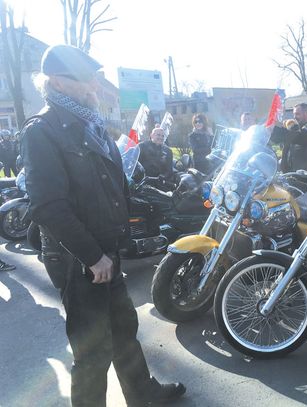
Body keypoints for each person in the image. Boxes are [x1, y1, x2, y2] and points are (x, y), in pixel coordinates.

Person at [20, 44, 186, 407]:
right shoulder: (42, 130)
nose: (95, 85)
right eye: (87, 79)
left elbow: (108, 181)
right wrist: (93, 257)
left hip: (104, 250)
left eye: (95, 78)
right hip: (78, 258)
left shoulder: (90, 124)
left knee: (125, 330)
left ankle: (142, 394)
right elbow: (47, 207)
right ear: (58, 83)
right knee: (92, 350)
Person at [271, 103, 307, 185]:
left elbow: (300, 138)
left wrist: (278, 126)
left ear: (306, 114)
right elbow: (278, 139)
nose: (294, 117)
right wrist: (270, 128)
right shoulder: (297, 129)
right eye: (294, 114)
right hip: (291, 176)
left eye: (297, 114)